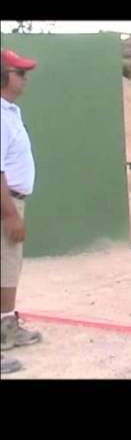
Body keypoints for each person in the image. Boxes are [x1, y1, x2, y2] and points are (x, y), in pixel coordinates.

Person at [1, 49, 43, 374]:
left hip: (13, 200)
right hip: (5, 203)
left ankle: (6, 330)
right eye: (20, 73)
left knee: (9, 268)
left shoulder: (10, 112)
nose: (25, 79)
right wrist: (10, 214)